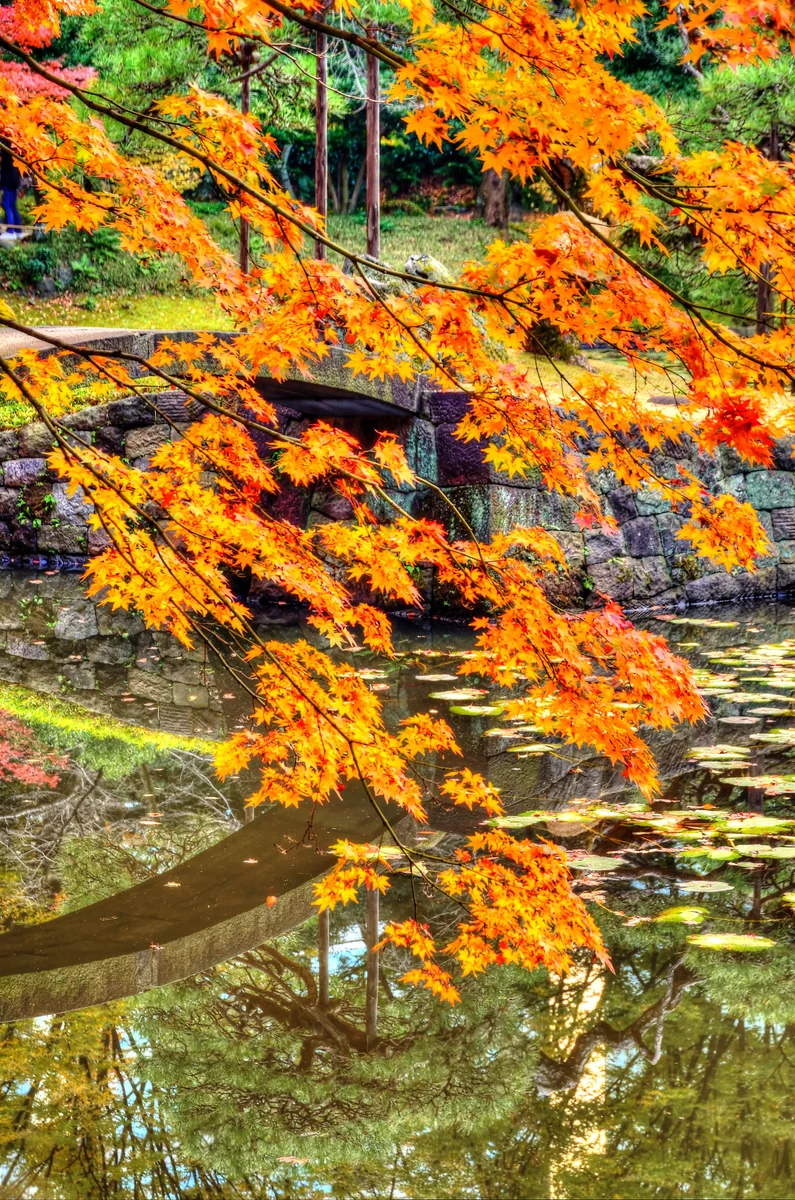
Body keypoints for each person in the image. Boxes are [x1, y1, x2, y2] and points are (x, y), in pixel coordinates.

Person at [0, 140, 22, 237]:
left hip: (8, 179)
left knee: (7, 204)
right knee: (12, 205)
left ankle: (11, 231)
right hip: (14, 178)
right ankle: (18, 231)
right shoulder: (14, 142)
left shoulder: (5, 142)